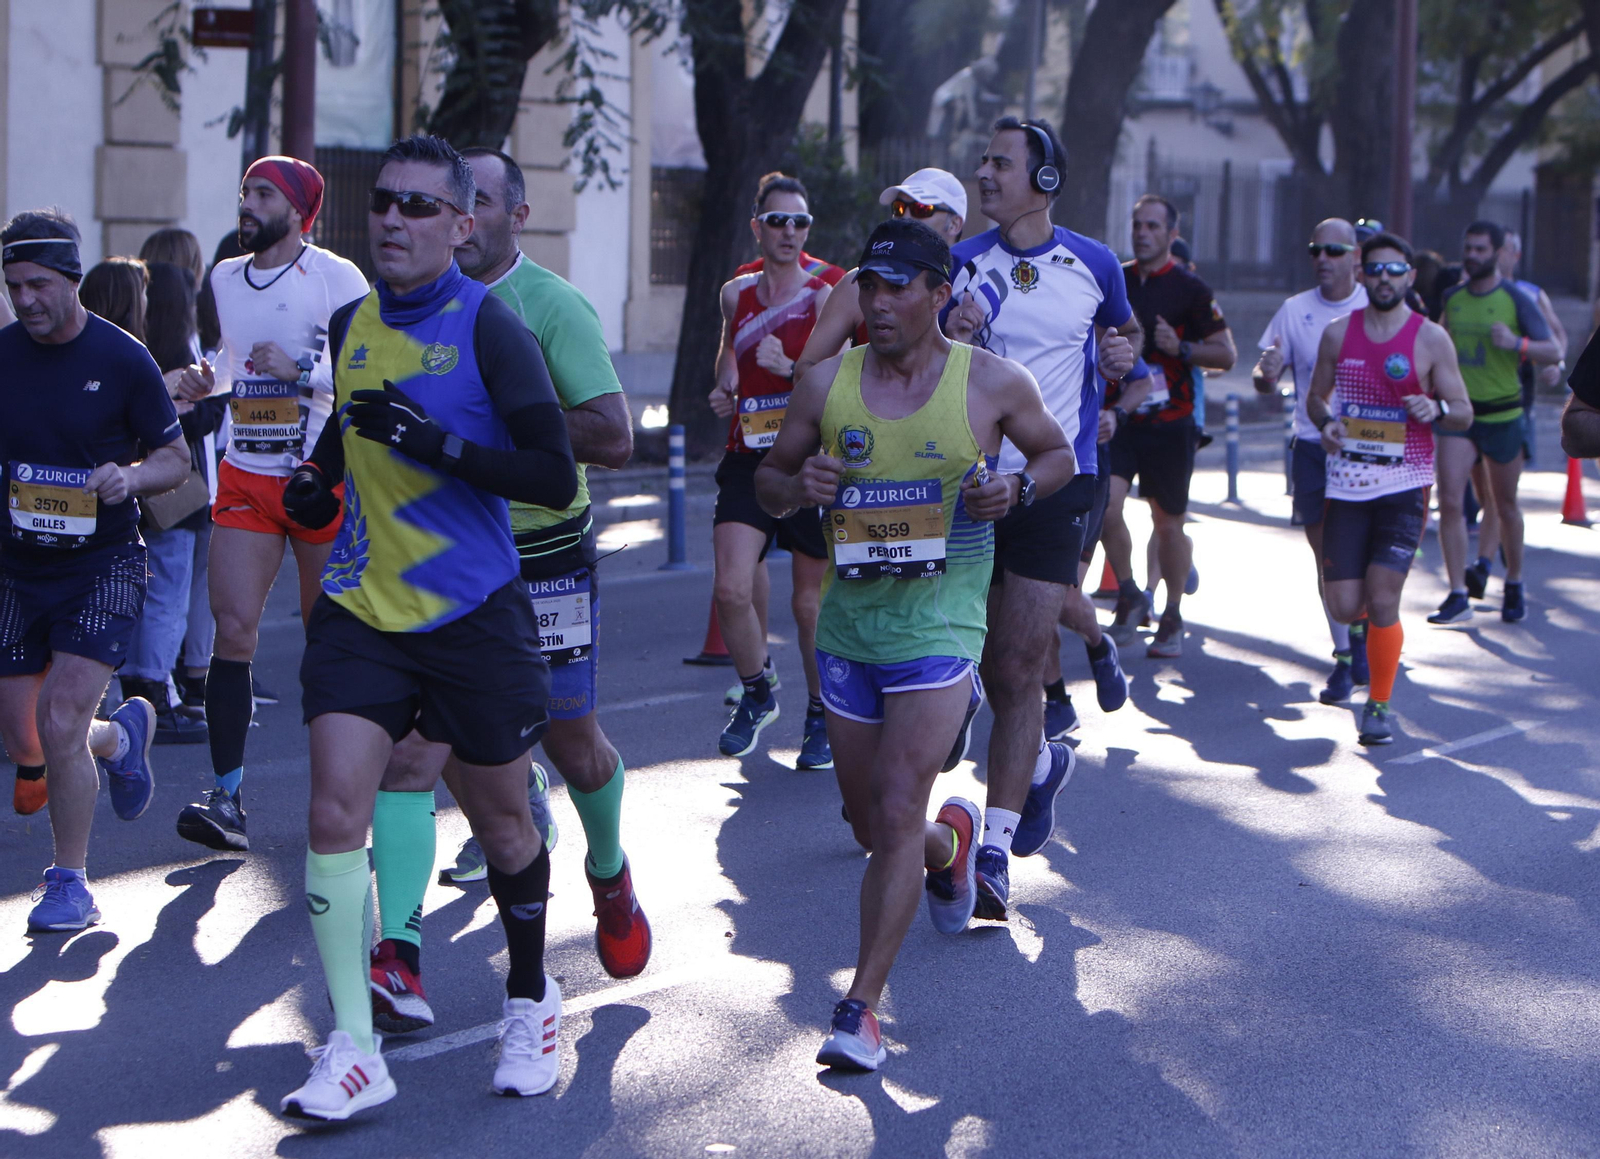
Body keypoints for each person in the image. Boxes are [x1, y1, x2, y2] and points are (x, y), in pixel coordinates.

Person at [276, 135, 579, 1118]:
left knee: (500, 822)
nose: (395, 220)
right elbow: (353, 417)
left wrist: (443, 446)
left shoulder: (491, 327)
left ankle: (531, 995)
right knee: (332, 813)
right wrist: (321, 470)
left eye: (418, 207)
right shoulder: (352, 319)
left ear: (463, 224)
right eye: (385, 204)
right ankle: (354, 1046)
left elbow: (553, 470)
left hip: (469, 612)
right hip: (363, 609)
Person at [754, 218, 1075, 1070]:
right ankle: (951, 849)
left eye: (900, 286)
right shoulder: (826, 384)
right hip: (852, 629)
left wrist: (1012, 484)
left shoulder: (991, 383)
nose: (881, 302)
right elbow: (770, 481)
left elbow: (1059, 457)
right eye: (870, 285)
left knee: (898, 800)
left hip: (941, 624)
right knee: (873, 823)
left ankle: (861, 1008)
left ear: (942, 294)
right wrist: (799, 485)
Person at [364, 147, 648, 1038]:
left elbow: (614, 436)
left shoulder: (547, 306)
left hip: (544, 558)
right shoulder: (392, 312)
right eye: (445, 203)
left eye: (476, 202)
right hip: (442, 566)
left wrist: (484, 420)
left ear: (505, 216)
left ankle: (608, 870)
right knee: (415, 752)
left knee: (569, 742)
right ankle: (399, 952)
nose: (462, 217)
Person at [942, 117, 1136, 925]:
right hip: (966, 486)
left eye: (999, 164)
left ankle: (994, 848)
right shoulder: (960, 264)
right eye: (982, 160)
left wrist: (1121, 361)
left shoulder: (1093, 263)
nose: (984, 175)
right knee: (968, 663)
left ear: (1043, 180)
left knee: (1020, 667)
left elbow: (1121, 337)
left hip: (1059, 482)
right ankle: (1042, 765)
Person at [170, 155, 370, 853]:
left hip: (317, 475)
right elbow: (233, 359)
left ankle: (347, 804)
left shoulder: (337, 277)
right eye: (245, 193)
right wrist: (201, 379)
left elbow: (368, 362)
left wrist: (305, 372)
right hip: (246, 474)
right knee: (233, 631)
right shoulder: (226, 274)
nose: (246, 205)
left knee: (333, 642)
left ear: (298, 210)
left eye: (262, 195)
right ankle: (226, 798)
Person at [0, 209, 189, 923]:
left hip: (102, 561)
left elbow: (173, 459)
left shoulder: (120, 358)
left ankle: (69, 882)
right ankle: (121, 738)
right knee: (26, 738)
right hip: (18, 564)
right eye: (14, 285)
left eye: (39, 284)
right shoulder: (4, 354)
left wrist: (130, 477)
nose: (26, 300)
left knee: (58, 714)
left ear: (72, 279)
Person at [1305, 233, 1471, 744]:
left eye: (1393, 270)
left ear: (1409, 277)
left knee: (1382, 598)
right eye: (1374, 269)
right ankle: (1356, 633)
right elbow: (1315, 399)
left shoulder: (1430, 339)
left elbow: (1464, 412)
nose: (1383, 279)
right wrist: (1328, 424)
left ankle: (1379, 704)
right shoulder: (1338, 334)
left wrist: (1437, 409)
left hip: (1405, 485)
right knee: (1342, 604)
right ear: (1361, 272)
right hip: (1349, 487)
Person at [708, 173, 834, 767]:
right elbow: (728, 351)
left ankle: (821, 712)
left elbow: (835, 380)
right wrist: (724, 383)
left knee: (808, 606)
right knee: (731, 588)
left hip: (805, 457)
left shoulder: (825, 294)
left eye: (801, 221)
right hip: (746, 453)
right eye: (778, 220)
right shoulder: (737, 294)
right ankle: (758, 691)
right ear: (757, 226)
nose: (789, 231)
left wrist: (789, 369)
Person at [1104, 194, 1236, 658]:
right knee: (1106, 507)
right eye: (1137, 224)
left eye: (1153, 227)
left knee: (1168, 525)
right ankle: (1129, 591)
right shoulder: (1114, 280)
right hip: (1120, 418)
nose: (1143, 233)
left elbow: (1225, 355)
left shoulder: (1190, 289)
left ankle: (1173, 611)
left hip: (1171, 423)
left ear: (1171, 235)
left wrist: (1180, 347)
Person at [1253, 218, 1370, 703]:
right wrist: (1266, 374)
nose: (1323, 258)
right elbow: (1264, 373)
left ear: (1356, 257)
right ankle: (1344, 656)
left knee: (1363, 557)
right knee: (1328, 559)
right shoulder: (1294, 309)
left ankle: (1365, 636)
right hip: (1312, 446)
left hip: (1369, 448)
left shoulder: (1374, 305)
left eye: (1335, 250)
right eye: (1315, 249)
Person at [1431, 221, 1560, 626]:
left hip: (1504, 413)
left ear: (1498, 252)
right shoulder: (1453, 297)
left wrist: (1517, 344)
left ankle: (1515, 581)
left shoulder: (1517, 299)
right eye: (1468, 248)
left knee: (1503, 505)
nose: (1472, 255)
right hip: (1459, 413)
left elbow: (1553, 349)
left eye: (1481, 249)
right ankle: (1456, 592)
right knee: (1451, 500)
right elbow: (1437, 342)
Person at [118, 262, 224, 744]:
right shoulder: (175, 356)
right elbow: (190, 424)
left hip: (137, 489)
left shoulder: (126, 350)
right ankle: (154, 692)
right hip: (175, 495)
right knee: (169, 592)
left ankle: (141, 687)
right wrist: (210, 404)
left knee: (147, 591)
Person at [1041, 359, 1153, 738]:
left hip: (1082, 474)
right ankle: (1056, 700)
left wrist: (1116, 414)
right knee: (1024, 603)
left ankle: (1098, 645)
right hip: (1014, 475)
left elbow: (1142, 380)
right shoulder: (991, 307)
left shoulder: (1088, 315)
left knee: (1059, 599)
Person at [1463, 229, 1570, 597]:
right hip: (1472, 404)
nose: (1499, 256)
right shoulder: (1465, 292)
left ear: (1513, 255)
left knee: (1501, 492)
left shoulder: (1529, 294)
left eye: (1507, 249)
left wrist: (1555, 363)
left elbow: (1556, 339)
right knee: (1483, 493)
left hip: (1514, 400)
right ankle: (1502, 548)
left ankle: (1485, 564)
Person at [791, 167, 970, 387]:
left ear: (954, 224)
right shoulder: (857, 283)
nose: (905, 217)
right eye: (899, 208)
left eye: (922, 209)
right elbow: (805, 371)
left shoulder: (973, 289)